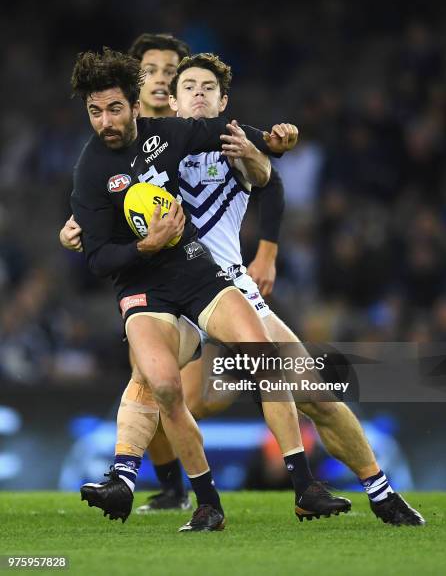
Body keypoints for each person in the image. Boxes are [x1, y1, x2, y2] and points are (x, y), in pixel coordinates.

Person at [62, 40, 424, 527]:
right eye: (181, 83)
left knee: (315, 394)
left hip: (228, 284)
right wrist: (76, 227)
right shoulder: (147, 141)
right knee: (157, 386)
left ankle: (379, 492)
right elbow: (109, 199)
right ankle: (158, 486)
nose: (192, 93)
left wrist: (268, 232)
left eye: (204, 87)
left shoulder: (227, 144)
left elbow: (270, 177)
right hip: (168, 286)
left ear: (222, 101)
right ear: (164, 94)